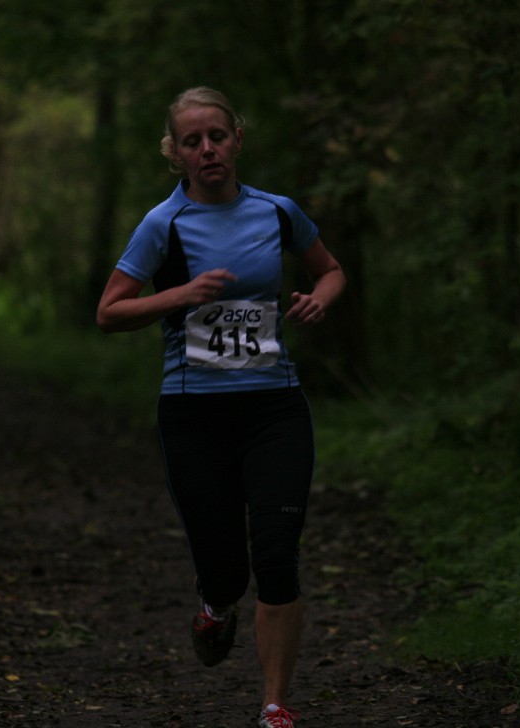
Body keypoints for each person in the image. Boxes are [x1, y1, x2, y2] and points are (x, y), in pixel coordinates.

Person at [96, 86, 345, 728]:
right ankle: (215, 604)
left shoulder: (277, 212)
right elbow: (110, 311)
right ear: (175, 154)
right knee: (227, 570)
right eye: (192, 141)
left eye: (217, 136)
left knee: (277, 558)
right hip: (194, 417)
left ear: (237, 139)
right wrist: (179, 295)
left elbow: (330, 270)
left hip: (274, 409)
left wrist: (319, 298)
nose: (207, 149)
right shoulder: (164, 224)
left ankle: (274, 704)